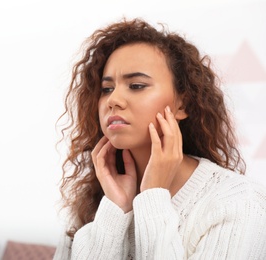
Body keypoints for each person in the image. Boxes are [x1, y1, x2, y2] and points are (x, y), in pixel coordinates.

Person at [53, 18, 266, 259]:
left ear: (182, 104)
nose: (114, 100)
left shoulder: (240, 204)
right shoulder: (94, 202)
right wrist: (114, 211)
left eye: (136, 85)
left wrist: (153, 197)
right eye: (106, 89)